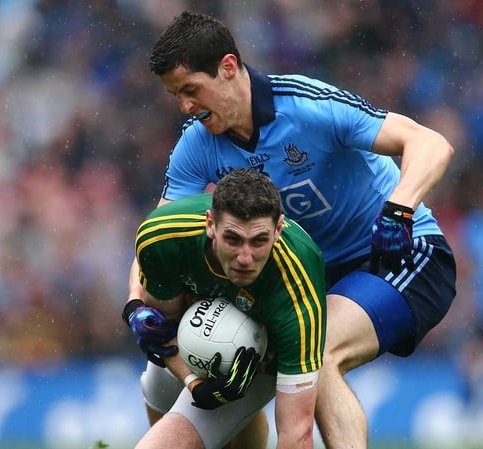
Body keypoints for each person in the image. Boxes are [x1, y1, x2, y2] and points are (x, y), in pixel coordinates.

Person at [127, 11, 457, 449]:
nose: (185, 106)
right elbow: (160, 235)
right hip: (305, 276)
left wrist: (399, 209)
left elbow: (430, 143)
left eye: (191, 90)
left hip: (396, 254)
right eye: (176, 96)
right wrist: (135, 305)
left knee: (318, 354)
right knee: (163, 382)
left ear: (228, 68)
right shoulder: (196, 143)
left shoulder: (309, 107)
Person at [126, 168, 326, 449]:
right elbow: (164, 331)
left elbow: (297, 432)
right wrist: (197, 385)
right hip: (186, 333)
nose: (245, 258)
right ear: (210, 225)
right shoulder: (164, 237)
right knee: (156, 388)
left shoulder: (298, 279)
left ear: (278, 230)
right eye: (233, 239)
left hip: (261, 358)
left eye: (259, 241)